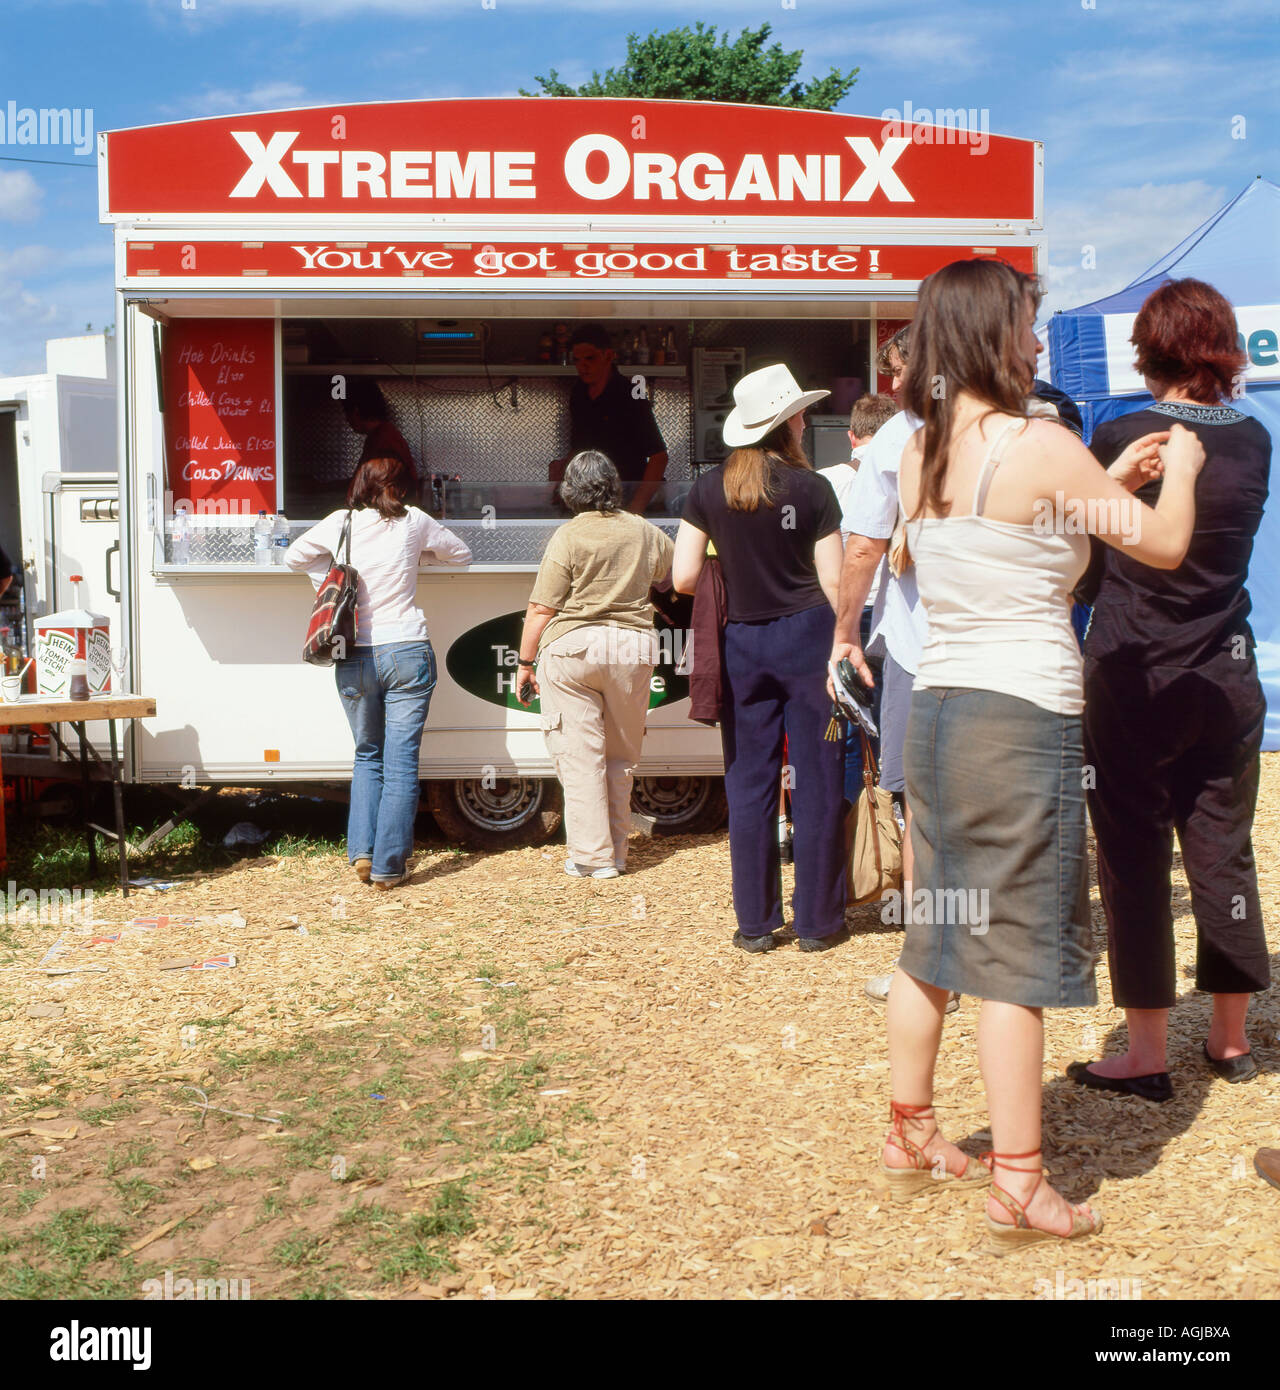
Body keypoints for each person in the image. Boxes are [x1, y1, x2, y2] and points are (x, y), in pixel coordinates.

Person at [880, 257, 1203, 1248]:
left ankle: (909, 1130)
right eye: (1025, 324)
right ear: (990, 332)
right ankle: (1019, 1182)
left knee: (938, 925)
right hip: (1018, 714)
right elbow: (1158, 546)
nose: (1033, 340)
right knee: (1012, 957)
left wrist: (1100, 481)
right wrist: (1177, 473)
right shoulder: (1042, 443)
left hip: (936, 707)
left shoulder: (918, 448)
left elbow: (1008, 530)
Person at [1068, 278, 1272, 1100]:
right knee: (1224, 843)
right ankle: (1230, 1039)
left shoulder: (1121, 431)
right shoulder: (1254, 439)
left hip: (1132, 667)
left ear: (1149, 351)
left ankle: (1145, 1050)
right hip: (1224, 668)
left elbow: (1082, 560)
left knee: (1133, 852)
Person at [672, 364, 847, 953]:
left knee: (749, 782)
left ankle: (755, 923)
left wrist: (735, 573)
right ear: (787, 423)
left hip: (741, 642)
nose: (804, 419)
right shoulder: (814, 489)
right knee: (818, 781)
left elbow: (684, 576)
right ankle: (818, 924)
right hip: (809, 638)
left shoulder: (707, 490)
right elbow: (834, 581)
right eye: (799, 412)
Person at [285, 456, 471, 888]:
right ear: (402, 489)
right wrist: (419, 561)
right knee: (401, 761)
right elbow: (461, 555)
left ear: (361, 485)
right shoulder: (416, 522)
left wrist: (330, 581)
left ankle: (362, 854)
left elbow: (294, 558)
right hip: (406, 649)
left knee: (367, 754)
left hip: (354, 654)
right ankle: (390, 867)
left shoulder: (340, 522)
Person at [829, 331, 933, 1001]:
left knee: (921, 809)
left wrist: (843, 633)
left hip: (922, 652)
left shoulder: (899, 438)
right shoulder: (1032, 424)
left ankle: (926, 967)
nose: (891, 387)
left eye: (895, 372)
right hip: (1016, 657)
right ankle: (1006, 962)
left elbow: (863, 551)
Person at [517, 451, 674, 878]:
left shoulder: (567, 536)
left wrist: (526, 663)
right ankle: (618, 854)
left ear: (569, 490)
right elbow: (674, 576)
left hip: (572, 651)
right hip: (632, 649)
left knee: (580, 757)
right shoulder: (644, 530)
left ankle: (593, 857)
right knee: (621, 757)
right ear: (614, 485)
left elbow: (540, 608)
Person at [818, 391, 896, 784]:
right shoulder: (904, 472)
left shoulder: (824, 481)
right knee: (890, 720)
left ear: (851, 436)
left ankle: (850, 818)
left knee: (846, 721)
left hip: (841, 613)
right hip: (892, 614)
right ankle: (892, 810)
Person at [554, 325, 668, 514]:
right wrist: (562, 471)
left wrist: (636, 510)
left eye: (590, 358)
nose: (583, 366)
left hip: (627, 500)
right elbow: (579, 447)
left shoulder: (632, 394)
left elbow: (659, 457)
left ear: (608, 356)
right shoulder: (578, 394)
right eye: (577, 360)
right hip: (590, 504)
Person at [342, 379, 419, 494]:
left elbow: (374, 486)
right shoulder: (379, 435)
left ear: (355, 411)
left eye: (346, 412)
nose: (347, 419)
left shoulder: (384, 440)